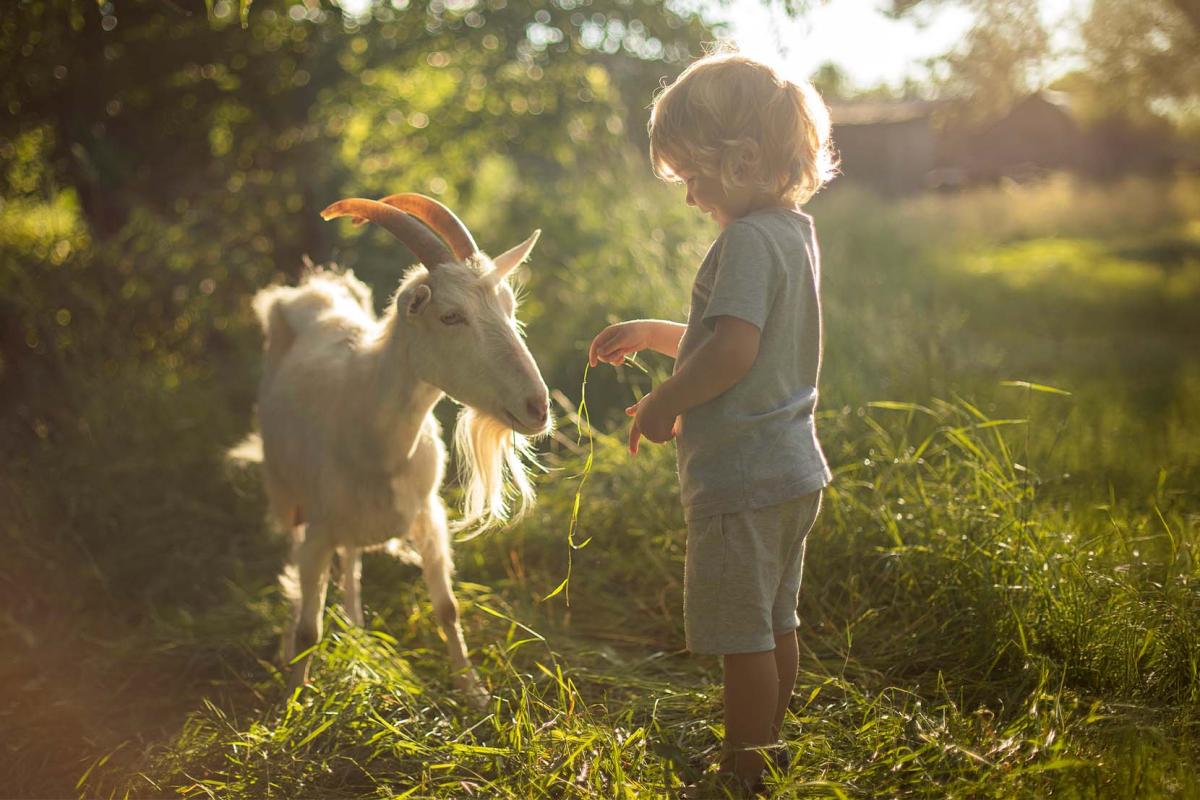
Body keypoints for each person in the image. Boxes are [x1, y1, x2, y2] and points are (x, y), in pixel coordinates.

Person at [587, 51, 838, 795]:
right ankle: (767, 743)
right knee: (775, 622)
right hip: (792, 471)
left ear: (741, 160)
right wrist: (654, 333)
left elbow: (732, 349)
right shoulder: (794, 233)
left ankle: (742, 772)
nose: (691, 196)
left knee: (742, 639)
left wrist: (667, 402)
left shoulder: (746, 241)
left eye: (693, 177)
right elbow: (728, 335)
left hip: (743, 477)